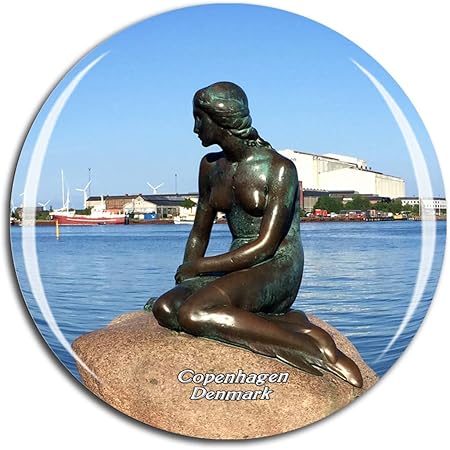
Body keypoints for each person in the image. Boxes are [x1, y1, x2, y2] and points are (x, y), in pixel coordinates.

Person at [150, 81, 362, 387]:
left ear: (221, 118)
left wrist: (200, 267)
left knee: (194, 313)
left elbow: (265, 246)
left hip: (277, 265)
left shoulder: (279, 168)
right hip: (236, 264)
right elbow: (199, 232)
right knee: (166, 307)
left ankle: (313, 347)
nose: (195, 128)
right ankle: (288, 324)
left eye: (199, 118)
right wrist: (186, 277)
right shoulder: (209, 168)